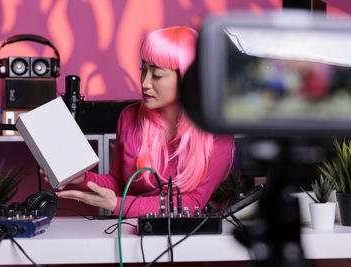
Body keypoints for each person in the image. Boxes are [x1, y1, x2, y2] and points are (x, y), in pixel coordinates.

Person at [46, 26, 235, 218]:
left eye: (157, 75)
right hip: (127, 233)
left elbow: (192, 203)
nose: (145, 83)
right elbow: (120, 184)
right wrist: (84, 179)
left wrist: (117, 205)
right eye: (143, 70)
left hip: (183, 238)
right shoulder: (129, 117)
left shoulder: (217, 132)